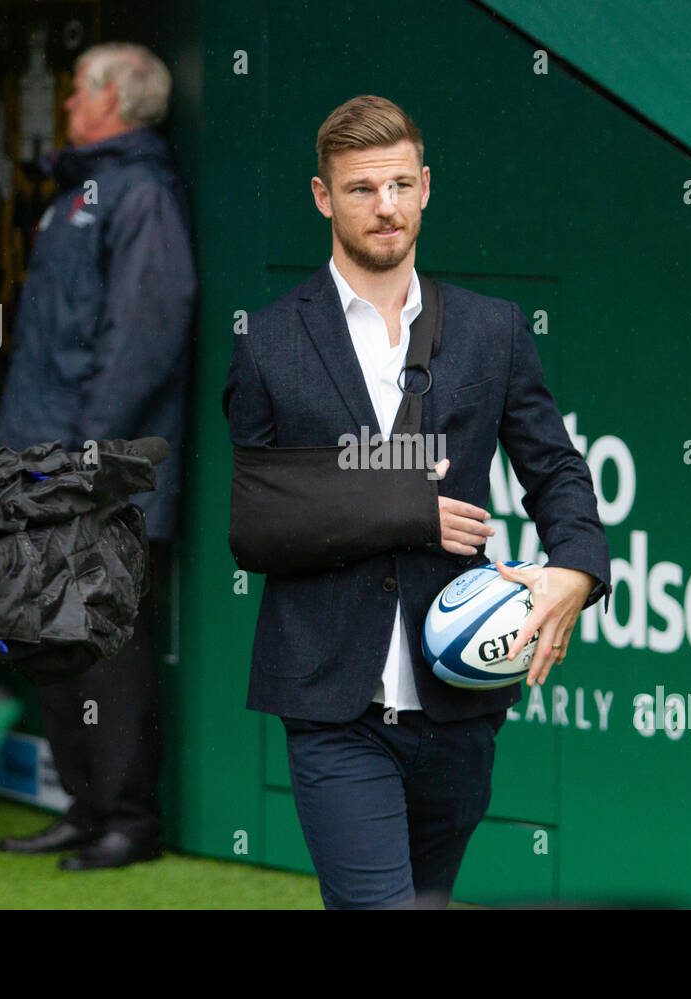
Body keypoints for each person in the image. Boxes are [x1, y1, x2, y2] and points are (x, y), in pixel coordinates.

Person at [222, 95, 612, 909]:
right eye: (362, 189)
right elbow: (257, 525)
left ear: (426, 186)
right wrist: (404, 509)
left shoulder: (491, 329)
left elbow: (557, 469)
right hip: (335, 708)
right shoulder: (268, 341)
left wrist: (578, 566)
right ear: (324, 196)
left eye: (400, 184)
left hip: (461, 708)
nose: (386, 206)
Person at [0, 42, 195, 871]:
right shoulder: (78, 187)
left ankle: (127, 822)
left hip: (93, 470)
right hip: (36, 459)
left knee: (106, 646)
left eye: (78, 89)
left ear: (113, 99)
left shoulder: (142, 192)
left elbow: (141, 338)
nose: (66, 103)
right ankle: (84, 807)